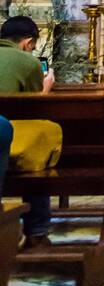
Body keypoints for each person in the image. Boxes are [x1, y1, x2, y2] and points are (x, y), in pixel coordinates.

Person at [0, 15, 55, 249]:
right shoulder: (27, 62)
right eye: (32, 47)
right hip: (10, 137)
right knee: (39, 157)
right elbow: (33, 106)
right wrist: (47, 87)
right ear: (27, 42)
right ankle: (37, 231)